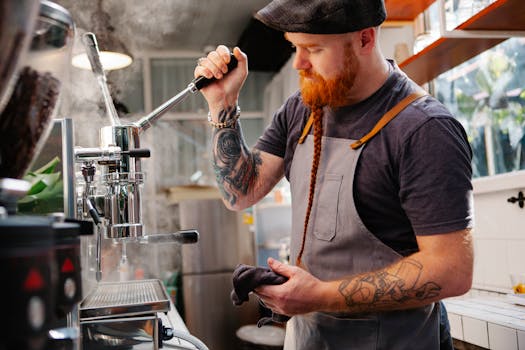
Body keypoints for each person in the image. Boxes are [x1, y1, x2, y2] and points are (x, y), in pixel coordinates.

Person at [194, 0, 474, 348]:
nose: (299, 63)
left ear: (365, 40)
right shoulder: (302, 109)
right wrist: (222, 105)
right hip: (310, 338)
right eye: (295, 47)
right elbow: (241, 193)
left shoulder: (424, 129)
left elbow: (452, 271)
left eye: (314, 49)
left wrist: (320, 295)